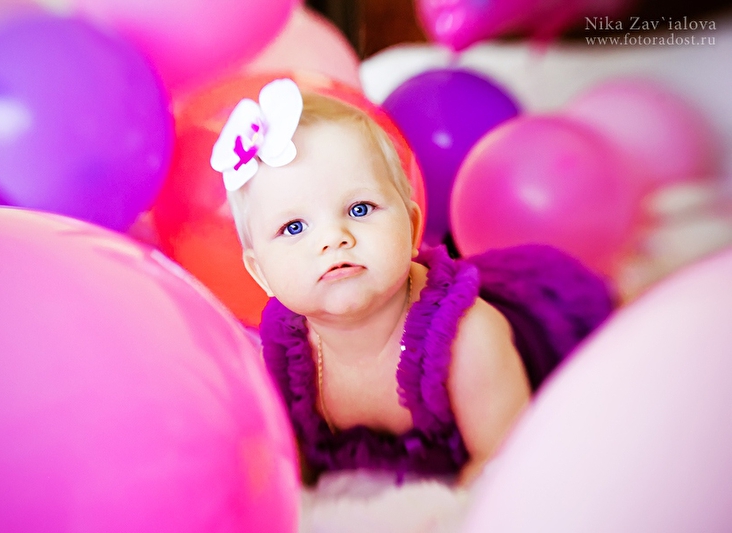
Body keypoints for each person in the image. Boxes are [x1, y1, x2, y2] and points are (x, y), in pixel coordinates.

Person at [211, 79, 613, 486]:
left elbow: (504, 470)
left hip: (544, 333)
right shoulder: (282, 356)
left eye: (360, 208)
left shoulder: (468, 339)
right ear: (260, 273)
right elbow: (288, 472)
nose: (333, 238)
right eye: (294, 227)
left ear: (413, 227)